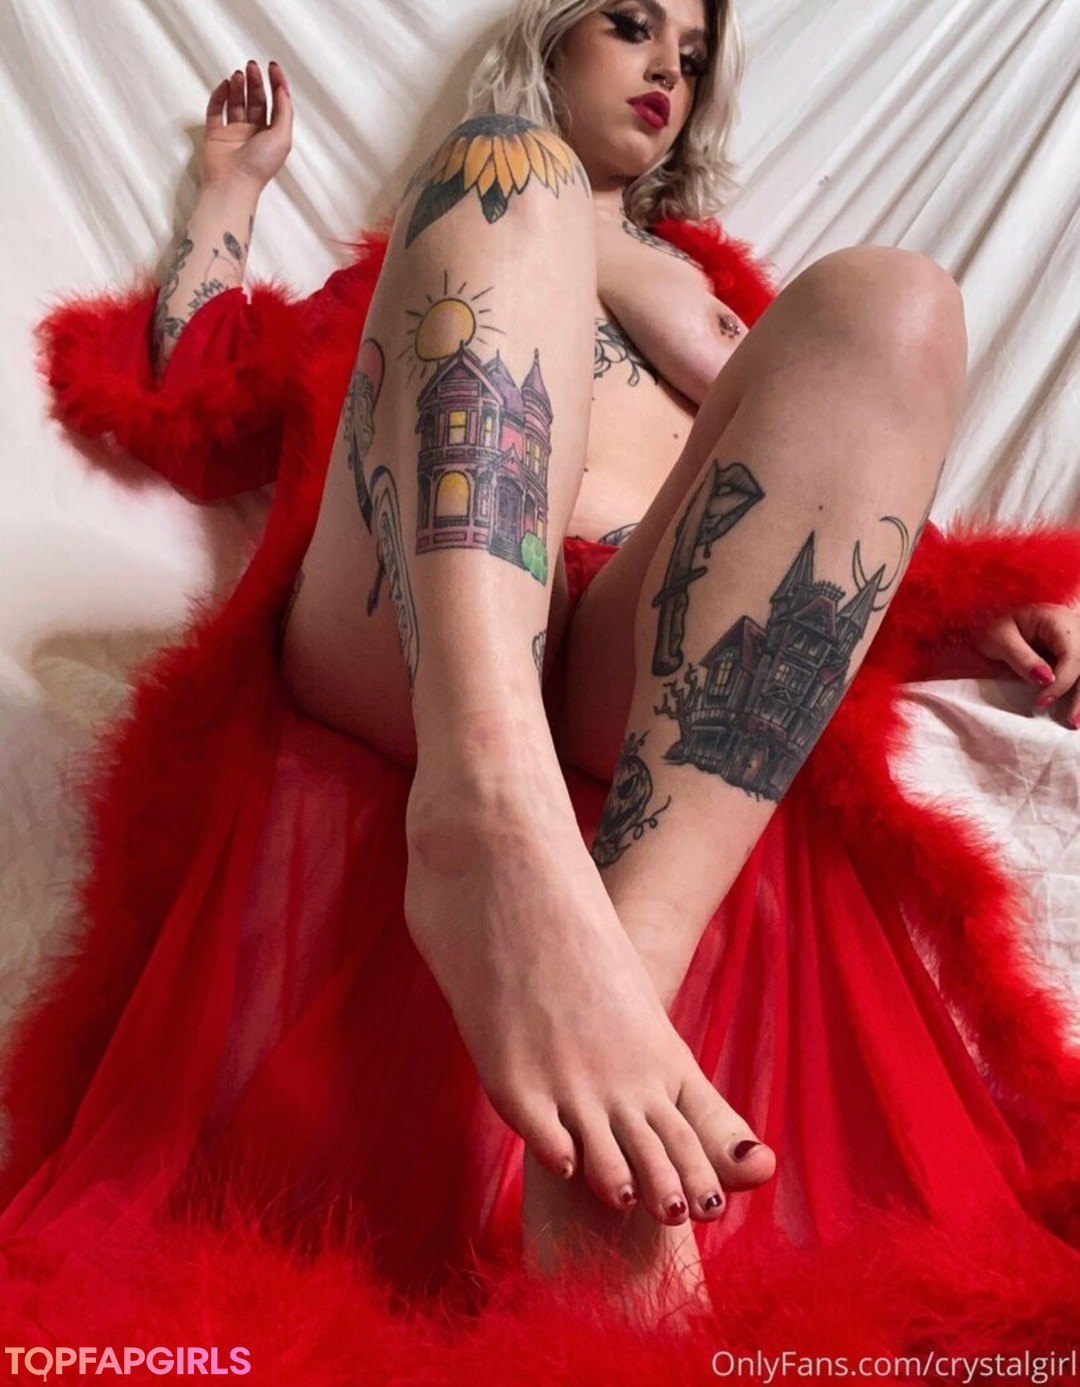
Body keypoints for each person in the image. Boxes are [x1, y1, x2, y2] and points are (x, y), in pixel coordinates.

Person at [4, 0, 1080, 1359]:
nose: (668, 68)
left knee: (900, 303)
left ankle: (619, 999)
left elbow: (820, 521)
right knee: (508, 175)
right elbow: (196, 397)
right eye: (632, 24)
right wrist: (229, 190)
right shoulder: (414, 253)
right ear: (550, 38)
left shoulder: (729, 303)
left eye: (693, 56)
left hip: (644, 646)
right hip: (425, 638)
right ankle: (485, 815)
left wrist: (974, 601)